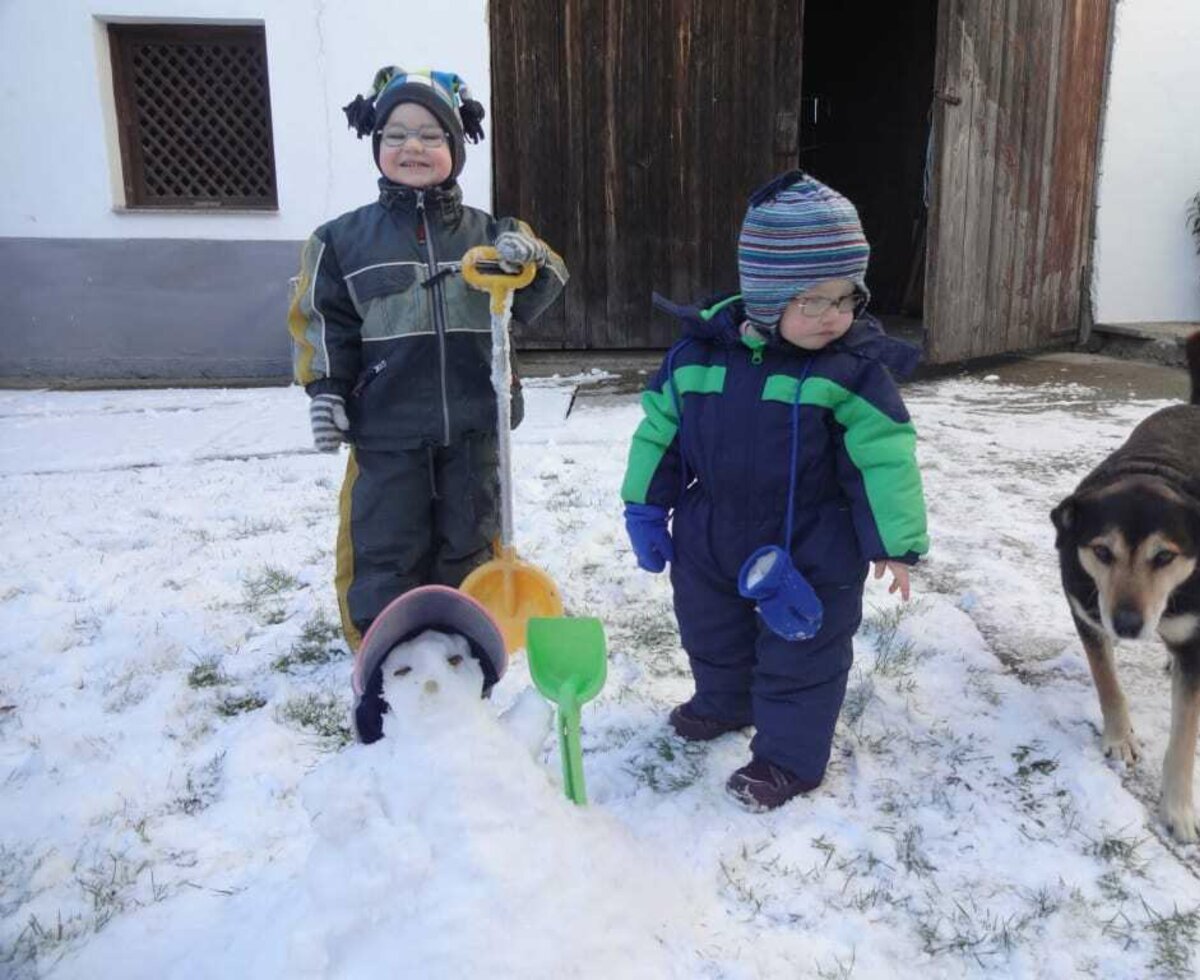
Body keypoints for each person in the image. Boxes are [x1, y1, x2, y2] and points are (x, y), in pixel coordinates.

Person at [621, 171, 929, 810]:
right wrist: (646, 507)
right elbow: (661, 435)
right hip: (711, 531)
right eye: (812, 300)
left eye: (846, 299)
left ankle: (789, 759)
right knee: (710, 632)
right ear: (765, 294)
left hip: (813, 545)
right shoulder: (695, 360)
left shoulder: (853, 373)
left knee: (802, 654)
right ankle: (724, 702)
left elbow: (883, 458)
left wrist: (895, 543)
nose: (833, 317)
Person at [288, 66, 567, 651]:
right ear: (376, 146)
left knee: (469, 536)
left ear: (456, 148)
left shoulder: (491, 233)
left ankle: (463, 634)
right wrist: (326, 392)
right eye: (395, 135)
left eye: (430, 135)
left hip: (474, 423)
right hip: (386, 425)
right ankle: (381, 643)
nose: (412, 146)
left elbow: (539, 290)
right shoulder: (341, 241)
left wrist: (532, 257)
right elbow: (323, 322)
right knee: (385, 539)